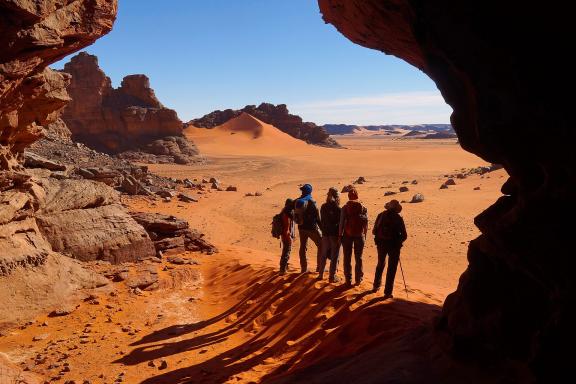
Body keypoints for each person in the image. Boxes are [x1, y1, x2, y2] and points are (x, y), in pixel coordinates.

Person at [372, 199, 408, 299]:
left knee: (380, 264)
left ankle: (375, 285)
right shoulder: (398, 218)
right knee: (391, 268)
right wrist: (398, 241)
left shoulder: (381, 215)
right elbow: (404, 235)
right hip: (394, 246)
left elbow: (374, 231)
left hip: (381, 244)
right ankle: (388, 292)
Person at [339, 187, 368, 286]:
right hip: (359, 235)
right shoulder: (363, 207)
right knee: (358, 257)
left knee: (347, 257)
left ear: (348, 196)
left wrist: (340, 235)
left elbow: (341, 223)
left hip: (347, 235)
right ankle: (358, 279)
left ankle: (348, 279)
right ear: (357, 196)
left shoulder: (344, 207)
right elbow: (365, 223)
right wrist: (364, 234)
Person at [294, 183, 322, 273]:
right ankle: (320, 267)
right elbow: (318, 218)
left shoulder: (298, 201)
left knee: (302, 247)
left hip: (301, 227)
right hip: (311, 228)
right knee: (321, 245)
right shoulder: (312, 202)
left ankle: (303, 268)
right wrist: (322, 229)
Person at [318, 187, 342, 282]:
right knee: (335, 255)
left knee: (323, 254)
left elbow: (322, 220)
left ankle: (320, 274)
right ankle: (332, 276)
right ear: (337, 197)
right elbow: (339, 223)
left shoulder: (323, 206)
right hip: (334, 235)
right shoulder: (338, 209)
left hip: (325, 234)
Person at [278, 198, 295, 275]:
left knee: (285, 251)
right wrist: (289, 238)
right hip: (286, 236)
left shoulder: (283, 211)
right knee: (286, 252)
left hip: (283, 236)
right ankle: (282, 270)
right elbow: (287, 228)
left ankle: (284, 267)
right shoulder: (287, 214)